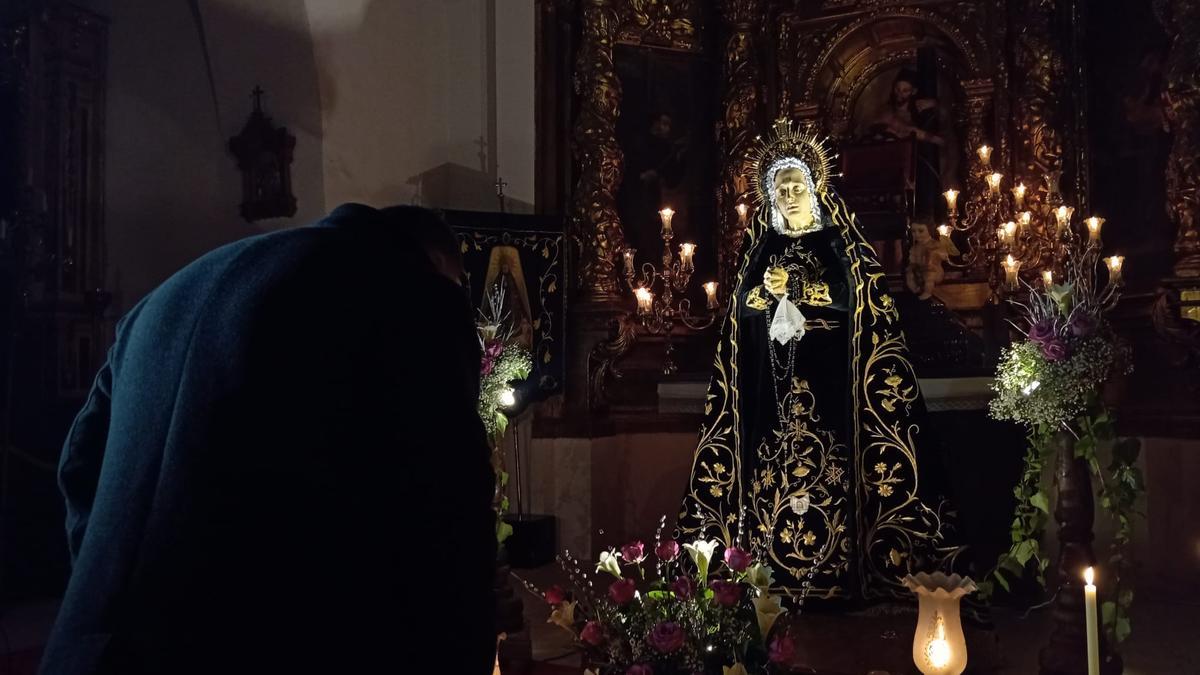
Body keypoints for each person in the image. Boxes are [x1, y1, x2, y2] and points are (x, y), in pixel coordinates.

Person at [39, 204, 496, 675]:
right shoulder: (410, 293)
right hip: (246, 645)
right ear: (439, 262)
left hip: (91, 648)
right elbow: (448, 509)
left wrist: (103, 594)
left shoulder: (166, 296)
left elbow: (78, 466)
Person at [678, 119, 972, 611]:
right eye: (781, 188)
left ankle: (837, 574)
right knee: (772, 482)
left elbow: (855, 298)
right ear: (771, 196)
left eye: (797, 186)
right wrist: (759, 294)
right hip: (770, 395)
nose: (790, 195)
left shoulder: (838, 244)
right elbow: (740, 311)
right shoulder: (762, 247)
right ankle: (768, 574)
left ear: (813, 190)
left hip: (830, 387)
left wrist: (799, 291)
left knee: (832, 479)